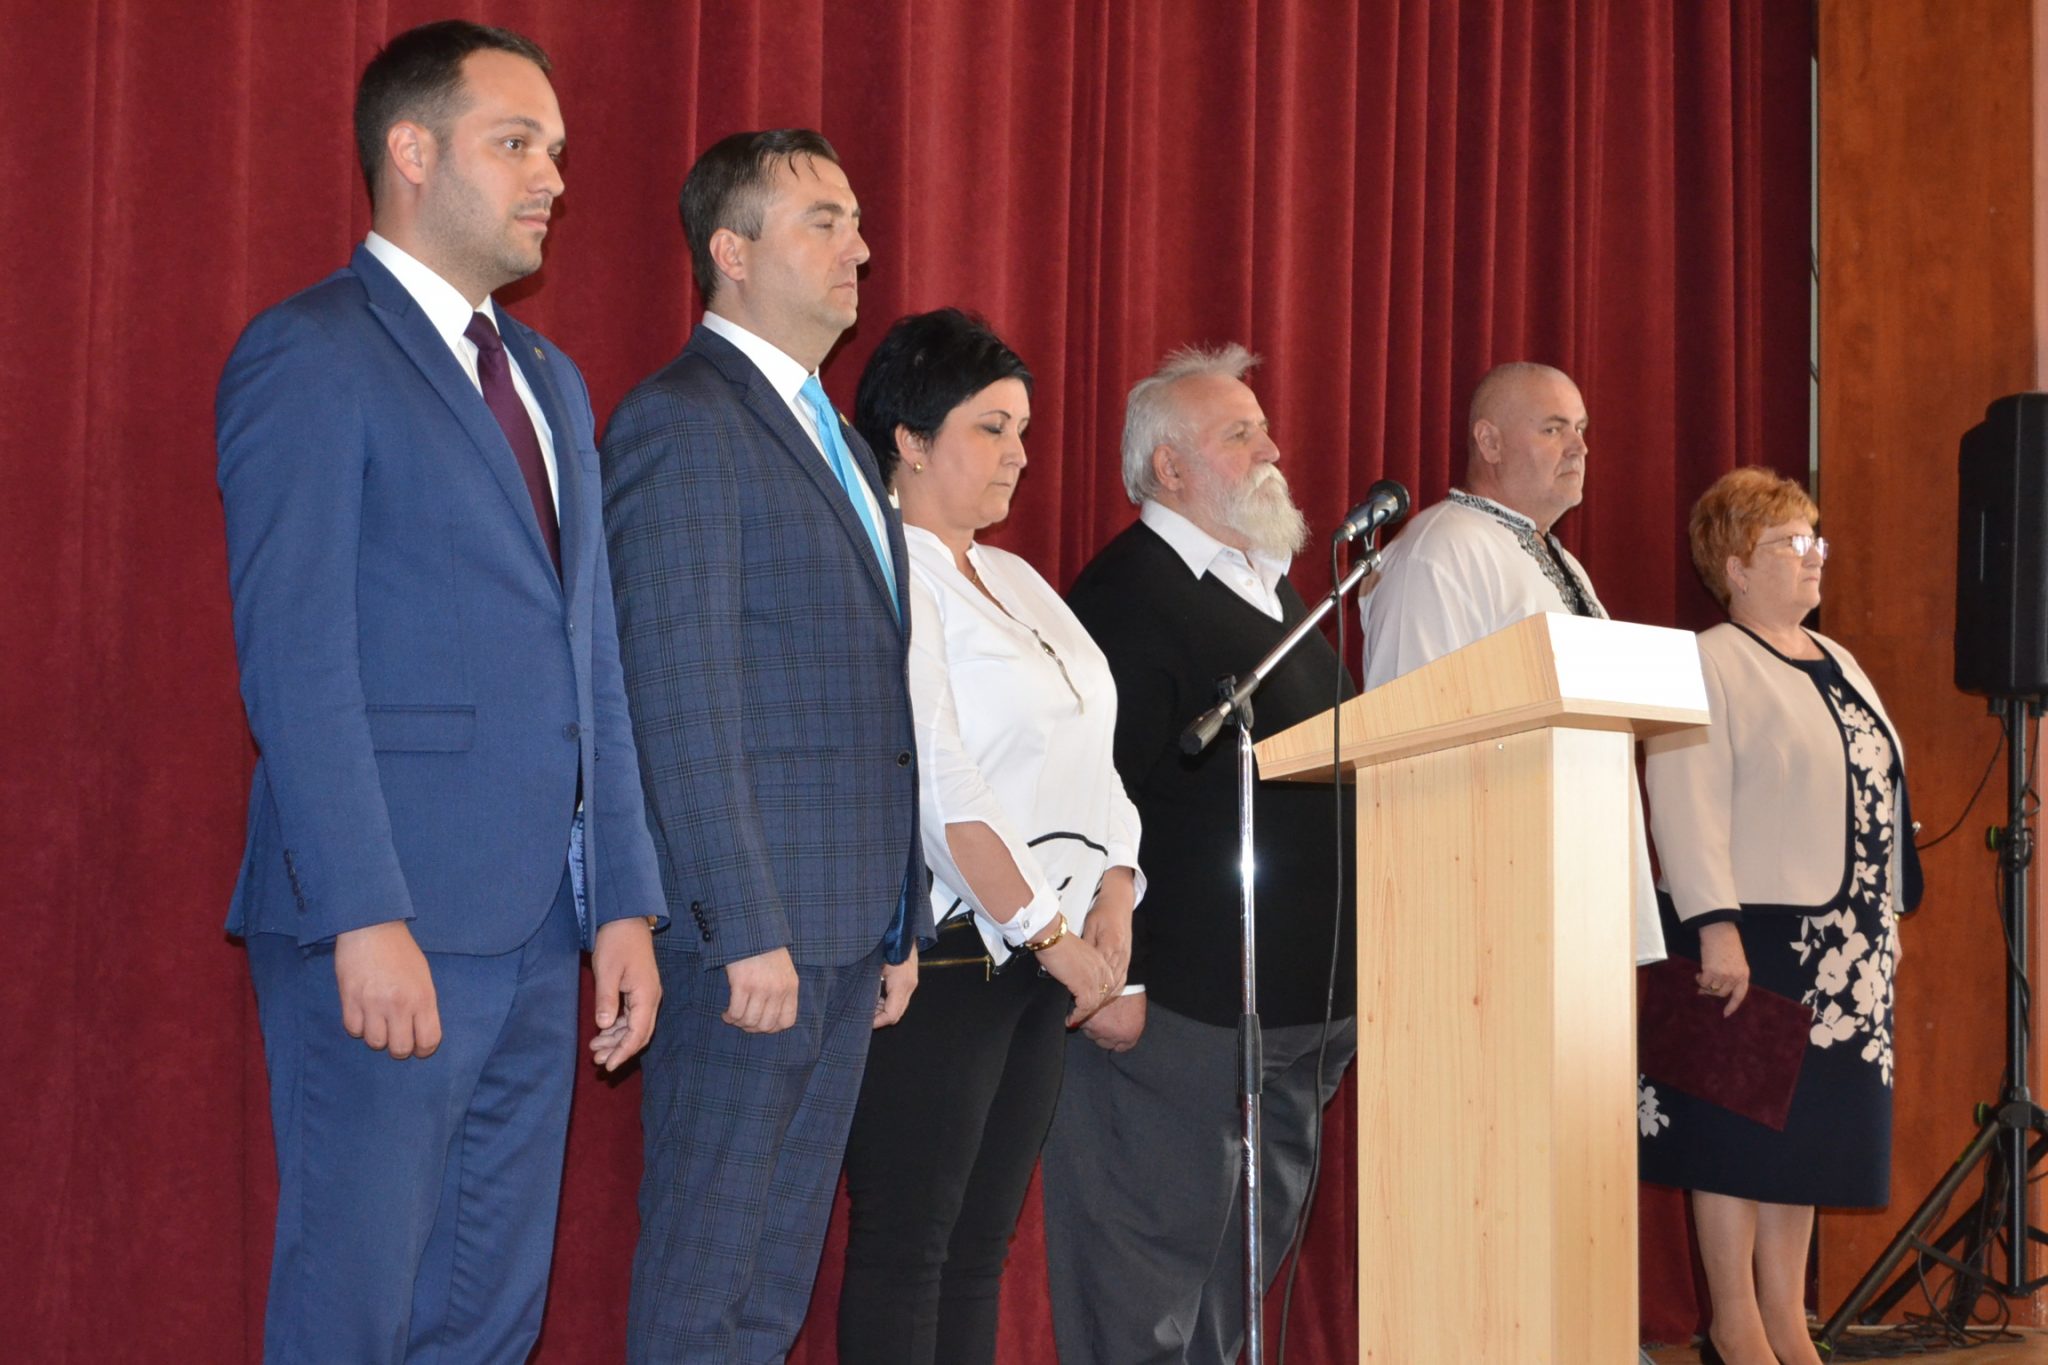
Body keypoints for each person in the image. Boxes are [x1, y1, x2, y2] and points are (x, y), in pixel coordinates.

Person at [214, 21, 663, 1362]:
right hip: (389, 916)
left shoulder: (551, 380)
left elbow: (593, 658)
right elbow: (296, 661)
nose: (552, 178)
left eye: (557, 150)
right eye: (515, 143)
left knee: (488, 1314)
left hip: (537, 928)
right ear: (409, 152)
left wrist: (623, 900)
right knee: (355, 1304)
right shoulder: (310, 351)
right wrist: (363, 911)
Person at [601, 129, 929, 1365]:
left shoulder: (835, 439)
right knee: (708, 1282)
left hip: (843, 929)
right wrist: (739, 923)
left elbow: (871, 701)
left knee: (770, 1292)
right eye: (822, 222)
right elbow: (677, 693)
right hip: (753, 934)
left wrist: (898, 919)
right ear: (730, 253)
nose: (860, 248)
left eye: (856, 221)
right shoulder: (683, 421)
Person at [832, 308, 1141, 1364]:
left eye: (1023, 431)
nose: (1019, 454)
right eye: (991, 428)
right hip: (955, 954)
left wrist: (1116, 891)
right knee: (908, 1248)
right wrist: (1048, 932)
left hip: (1046, 958)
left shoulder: (1013, 578)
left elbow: (1096, 750)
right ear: (910, 440)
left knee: (977, 1252)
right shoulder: (891, 569)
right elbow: (940, 778)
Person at [1043, 344, 1358, 1365]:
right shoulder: (1126, 595)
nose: (1271, 450)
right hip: (1180, 1012)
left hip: (1296, 1011)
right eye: (1239, 434)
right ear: (1168, 467)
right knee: (1145, 1289)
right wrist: (1114, 975)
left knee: (1234, 1286)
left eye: (1263, 429)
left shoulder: (1276, 595)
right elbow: (1091, 796)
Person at [1639, 468, 1920, 1365]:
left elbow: (1874, 794)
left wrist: (1885, 919)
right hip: (1754, 933)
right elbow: (1683, 794)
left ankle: (1786, 1320)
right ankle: (1734, 1323)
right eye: (1792, 543)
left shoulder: (1837, 658)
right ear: (1734, 564)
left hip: (1845, 941)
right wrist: (1713, 924)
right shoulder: (1709, 658)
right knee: (1733, 1136)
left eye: (1815, 538)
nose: (1813, 556)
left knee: (1807, 1141)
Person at [1358, 359, 1664, 962]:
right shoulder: (1440, 553)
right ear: (1490, 441)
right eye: (1553, 429)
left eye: (1581, 429)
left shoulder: (1560, 561)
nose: (1579, 447)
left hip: (1576, 886)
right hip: (1490, 912)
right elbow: (1410, 741)